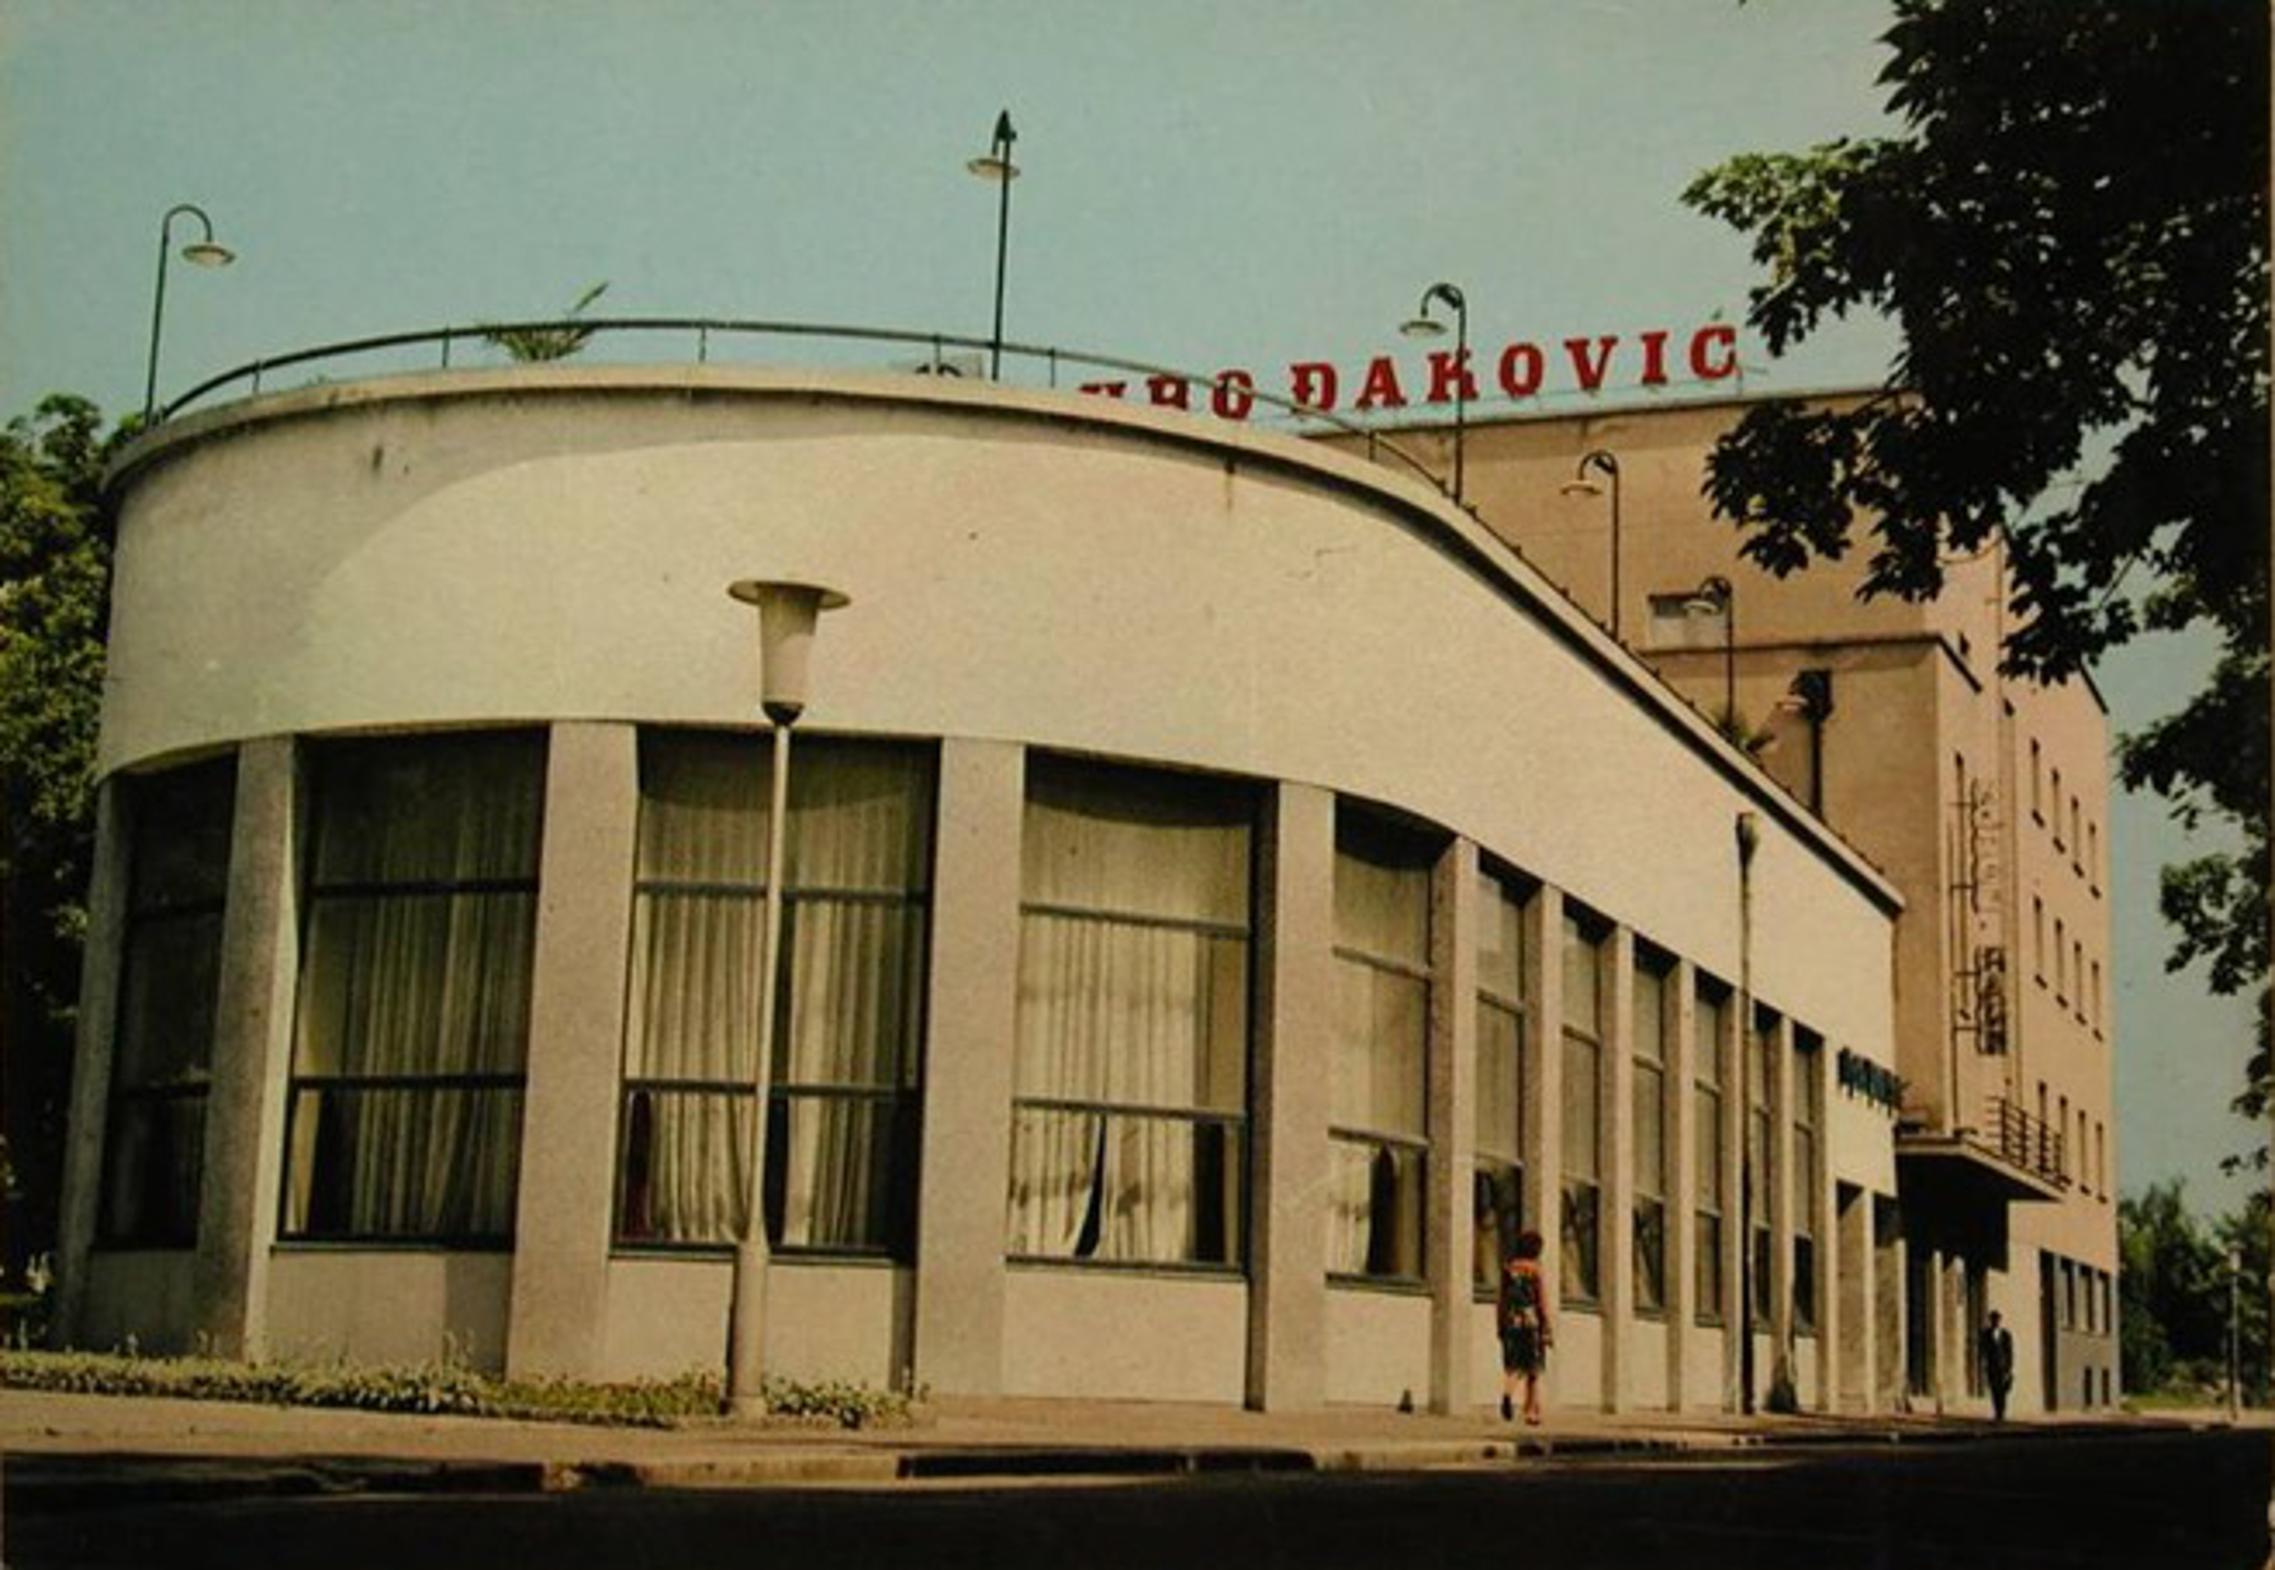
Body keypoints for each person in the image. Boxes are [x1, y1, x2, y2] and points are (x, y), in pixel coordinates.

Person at [1498, 1229, 1552, 1425]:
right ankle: (1530, 1412)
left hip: (1512, 1320)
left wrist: (1500, 1324)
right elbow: (1542, 1300)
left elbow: (1502, 1299)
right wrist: (1547, 1325)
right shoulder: (1535, 1270)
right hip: (1531, 1322)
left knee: (1514, 1365)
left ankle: (1507, 1392)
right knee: (1533, 1369)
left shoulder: (1508, 1268)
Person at [1979, 1309, 2015, 1421]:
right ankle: (1996, 1411)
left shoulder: (2006, 1335)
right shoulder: (1986, 1334)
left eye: (1997, 1320)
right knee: (1994, 1389)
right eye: (1993, 1320)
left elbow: (2009, 1352)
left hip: (2002, 1367)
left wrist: (2009, 1368)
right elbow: (1983, 1350)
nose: (1995, 1322)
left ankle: (2001, 1412)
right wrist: (1983, 1363)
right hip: (1991, 1366)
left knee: (2002, 1391)